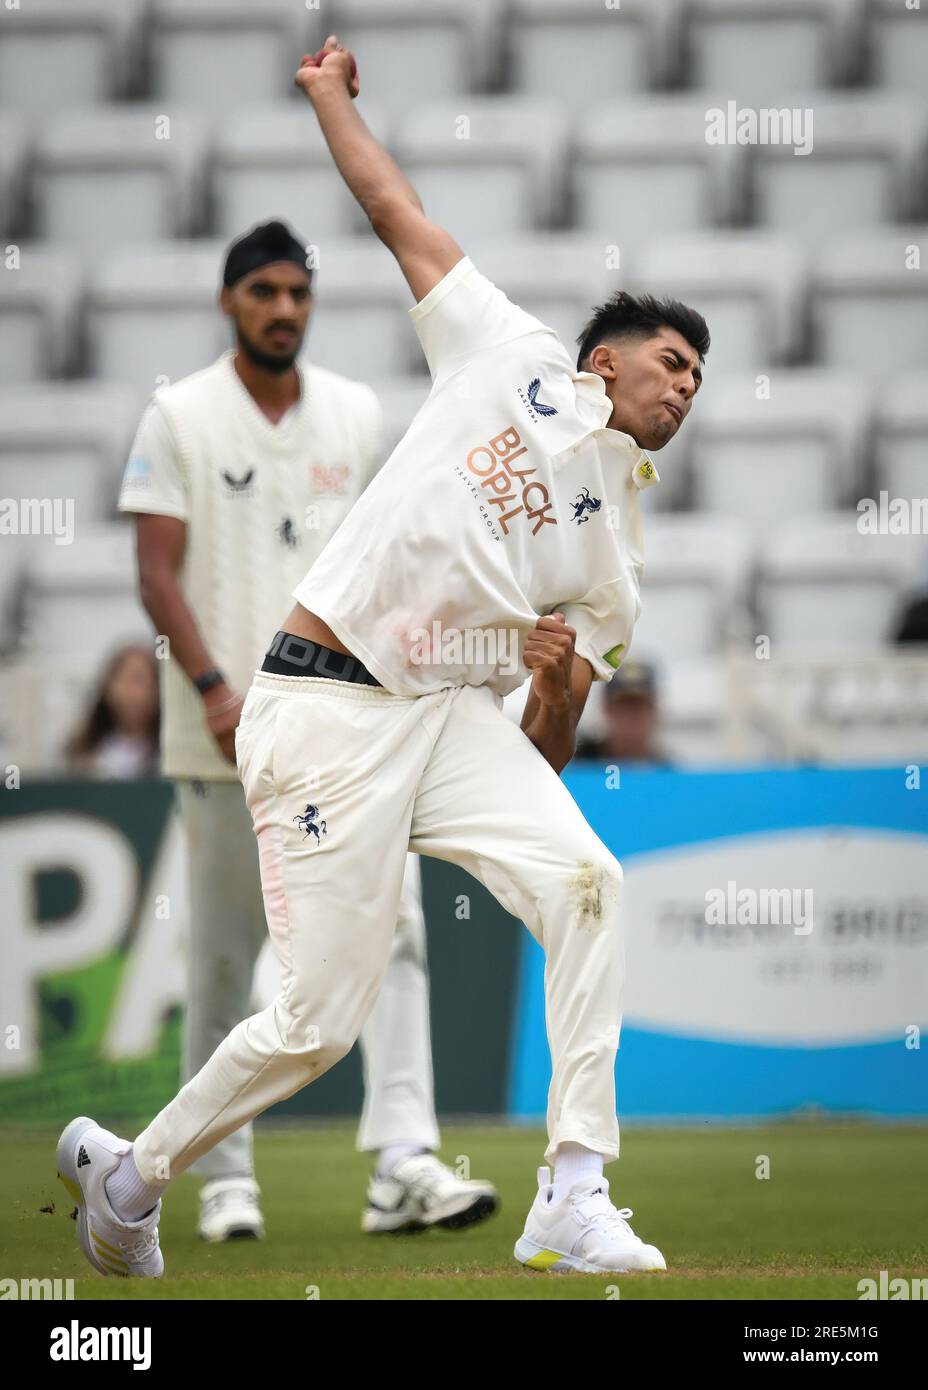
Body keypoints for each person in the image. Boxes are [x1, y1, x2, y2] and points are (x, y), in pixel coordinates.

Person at [57, 36, 708, 1278]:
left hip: (450, 717)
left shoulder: (617, 559)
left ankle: (573, 1189)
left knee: (586, 884)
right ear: (605, 358)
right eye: (671, 361)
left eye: (698, 381)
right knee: (317, 1022)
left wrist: (563, 684)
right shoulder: (503, 350)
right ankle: (129, 1176)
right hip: (321, 702)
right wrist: (324, 98)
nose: (684, 390)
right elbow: (392, 204)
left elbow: (541, 751)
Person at [114, 219, 496, 1243]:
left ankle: (404, 1162)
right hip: (220, 739)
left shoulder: (357, 413)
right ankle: (223, 1176)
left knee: (398, 937)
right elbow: (156, 570)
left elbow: (388, 556)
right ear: (231, 301)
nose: (283, 309)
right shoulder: (179, 416)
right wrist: (206, 685)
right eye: (263, 292)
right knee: (227, 960)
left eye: (297, 293)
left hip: (347, 729)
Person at [65, 642, 160, 778]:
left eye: (140, 681)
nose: (133, 694)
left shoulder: (168, 757)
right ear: (107, 687)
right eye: (126, 681)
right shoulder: (83, 755)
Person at [574, 661, 671, 765]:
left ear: (654, 711)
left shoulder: (671, 773)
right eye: (623, 707)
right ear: (606, 709)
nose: (632, 718)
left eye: (639, 707)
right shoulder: (572, 766)